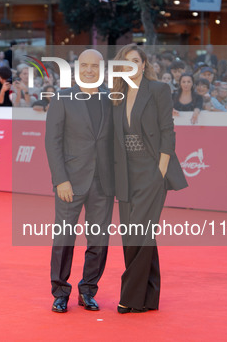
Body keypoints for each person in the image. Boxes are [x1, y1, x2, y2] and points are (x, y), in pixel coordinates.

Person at [110, 44, 187, 314]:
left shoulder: (158, 90)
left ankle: (129, 297)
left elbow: (168, 130)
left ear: (143, 64)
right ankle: (149, 296)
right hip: (125, 173)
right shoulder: (116, 95)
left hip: (152, 170)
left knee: (139, 232)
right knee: (134, 233)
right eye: (125, 62)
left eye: (135, 61)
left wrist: (161, 171)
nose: (131, 66)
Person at [45, 49, 115, 314]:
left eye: (94, 66)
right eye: (84, 65)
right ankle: (60, 291)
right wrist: (60, 179)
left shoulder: (112, 98)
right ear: (76, 69)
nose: (89, 70)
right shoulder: (62, 97)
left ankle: (88, 290)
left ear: (102, 70)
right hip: (70, 183)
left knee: (98, 240)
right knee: (64, 238)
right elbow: (52, 142)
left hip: (104, 183)